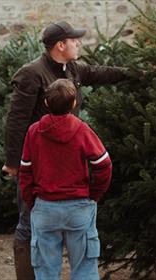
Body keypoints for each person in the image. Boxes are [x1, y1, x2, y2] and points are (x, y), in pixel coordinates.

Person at [2, 21, 128, 279]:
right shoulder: (32, 73)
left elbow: (98, 72)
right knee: (27, 226)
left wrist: (134, 73)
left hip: (70, 165)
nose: (79, 43)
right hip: (39, 166)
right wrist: (14, 162)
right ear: (60, 45)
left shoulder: (70, 68)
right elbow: (16, 120)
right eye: (74, 40)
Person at [19, 79, 111, 280]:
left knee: (45, 272)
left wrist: (31, 201)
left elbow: (25, 171)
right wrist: (94, 195)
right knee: (85, 270)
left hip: (45, 208)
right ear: (73, 104)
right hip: (79, 207)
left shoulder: (34, 131)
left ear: (45, 104)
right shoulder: (82, 130)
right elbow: (104, 165)